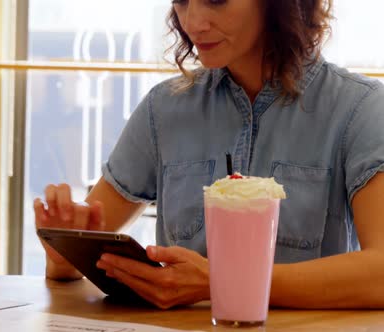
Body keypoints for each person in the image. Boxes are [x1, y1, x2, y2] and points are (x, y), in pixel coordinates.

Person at [34, 0, 384, 309]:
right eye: (182, 1)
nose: (192, 22)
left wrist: (223, 283)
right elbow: (80, 254)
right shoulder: (163, 109)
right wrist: (64, 252)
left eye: (216, 0)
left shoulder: (360, 109)